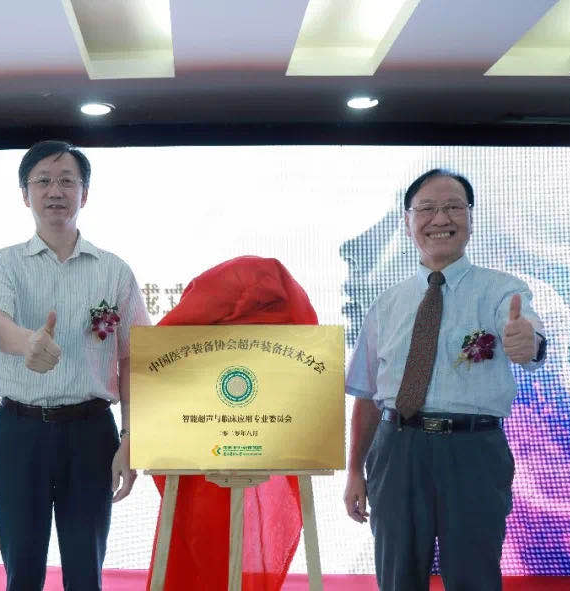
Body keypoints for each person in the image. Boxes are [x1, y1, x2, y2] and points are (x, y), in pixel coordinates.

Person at [343, 169, 548, 591]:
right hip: (397, 451)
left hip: (473, 452)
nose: (440, 219)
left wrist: (527, 341)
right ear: (408, 222)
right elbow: (367, 396)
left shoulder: (501, 290)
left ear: (470, 218)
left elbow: (526, 333)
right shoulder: (387, 303)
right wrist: (354, 471)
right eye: (427, 209)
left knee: (474, 578)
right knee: (397, 577)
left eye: (453, 207)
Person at [0, 140, 149, 590]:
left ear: (84, 194)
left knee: (86, 567)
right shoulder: (2, 264)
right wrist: (27, 343)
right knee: (22, 565)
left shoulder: (114, 270)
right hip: (20, 432)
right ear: (25, 194)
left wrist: (132, 436)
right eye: (43, 181)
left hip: (91, 433)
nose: (55, 191)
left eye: (67, 181)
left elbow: (133, 359)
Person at [147, 255, 315, 591]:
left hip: (207, 452)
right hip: (219, 448)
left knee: (200, 535)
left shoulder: (183, 333)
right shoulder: (293, 319)